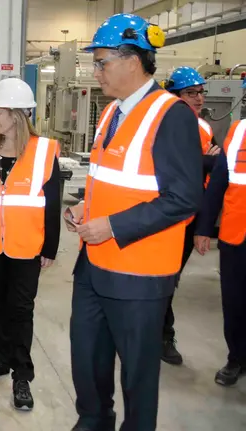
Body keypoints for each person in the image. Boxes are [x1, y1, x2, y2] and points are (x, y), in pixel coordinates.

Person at [65, 14, 203, 431]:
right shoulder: (110, 114)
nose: (96, 70)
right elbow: (113, 181)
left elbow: (183, 199)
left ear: (132, 60)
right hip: (93, 266)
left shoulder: (171, 114)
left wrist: (113, 226)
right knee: (87, 359)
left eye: (102, 61)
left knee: (137, 376)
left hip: (139, 275)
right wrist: (86, 208)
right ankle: (93, 421)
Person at [0, 77, 61, 411]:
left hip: (27, 245)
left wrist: (50, 247)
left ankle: (22, 374)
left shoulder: (44, 152)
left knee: (21, 309)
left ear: (18, 115)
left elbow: (52, 201)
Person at [159, 66, 222, 365]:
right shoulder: (169, 124)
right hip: (169, 212)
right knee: (163, 277)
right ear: (175, 96)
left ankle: (160, 332)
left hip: (192, 212)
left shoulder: (203, 126)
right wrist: (208, 162)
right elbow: (174, 166)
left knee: (170, 278)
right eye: (190, 93)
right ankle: (160, 334)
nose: (198, 98)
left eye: (200, 92)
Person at [193, 106, 246, 387]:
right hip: (236, 234)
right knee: (234, 301)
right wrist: (204, 228)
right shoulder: (238, 133)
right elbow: (218, 184)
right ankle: (236, 357)